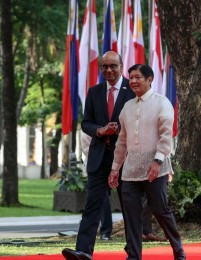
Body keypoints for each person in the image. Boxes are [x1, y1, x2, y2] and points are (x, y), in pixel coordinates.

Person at [62, 51, 136, 260]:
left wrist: (119, 128)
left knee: (129, 206)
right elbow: (86, 123)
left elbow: (139, 121)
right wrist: (101, 130)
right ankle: (83, 250)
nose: (109, 70)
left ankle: (133, 252)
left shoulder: (131, 90)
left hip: (125, 158)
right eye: (105, 66)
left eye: (113, 66)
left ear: (122, 67)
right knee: (92, 205)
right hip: (99, 157)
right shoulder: (94, 92)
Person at [108, 64, 185, 260]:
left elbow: (166, 135)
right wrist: (115, 168)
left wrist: (158, 161)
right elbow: (122, 142)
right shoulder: (127, 107)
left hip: (155, 169)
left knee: (161, 210)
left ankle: (178, 251)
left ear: (149, 79)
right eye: (131, 77)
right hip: (131, 170)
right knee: (131, 215)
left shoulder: (162, 103)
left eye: (138, 77)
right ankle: (134, 255)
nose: (133, 81)